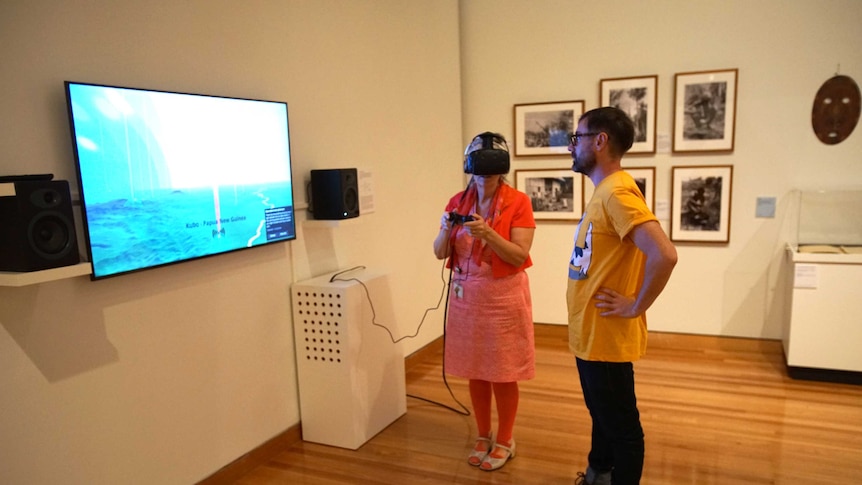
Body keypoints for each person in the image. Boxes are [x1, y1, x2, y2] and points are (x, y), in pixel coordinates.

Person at [567, 108, 678, 485]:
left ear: (599, 142)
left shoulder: (616, 191)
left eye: (577, 138)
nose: (572, 146)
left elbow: (665, 253)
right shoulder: (606, 192)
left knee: (623, 428)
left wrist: (635, 305)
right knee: (603, 415)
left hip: (606, 336)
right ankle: (598, 474)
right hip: (593, 334)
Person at [432, 132, 536, 472]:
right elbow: (438, 253)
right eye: (478, 171)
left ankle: (505, 438)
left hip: (503, 295)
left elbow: (520, 254)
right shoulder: (457, 201)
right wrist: (447, 229)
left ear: (502, 171)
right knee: (475, 368)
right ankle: (482, 434)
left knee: (503, 372)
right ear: (469, 169)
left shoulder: (518, 202)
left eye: (491, 172)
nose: (484, 177)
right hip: (466, 295)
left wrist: (489, 233)